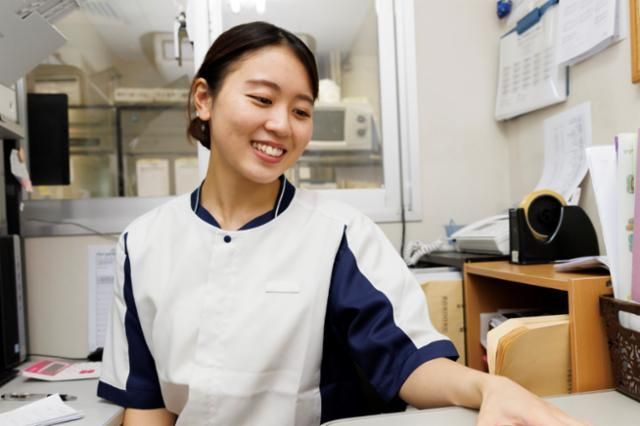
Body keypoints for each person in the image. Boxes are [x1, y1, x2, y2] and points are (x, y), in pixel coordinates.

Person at [97, 21, 586, 426]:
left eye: (301, 110)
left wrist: (487, 388)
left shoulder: (338, 234)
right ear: (203, 99)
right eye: (262, 99)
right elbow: (146, 401)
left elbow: (406, 361)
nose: (282, 125)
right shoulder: (143, 243)